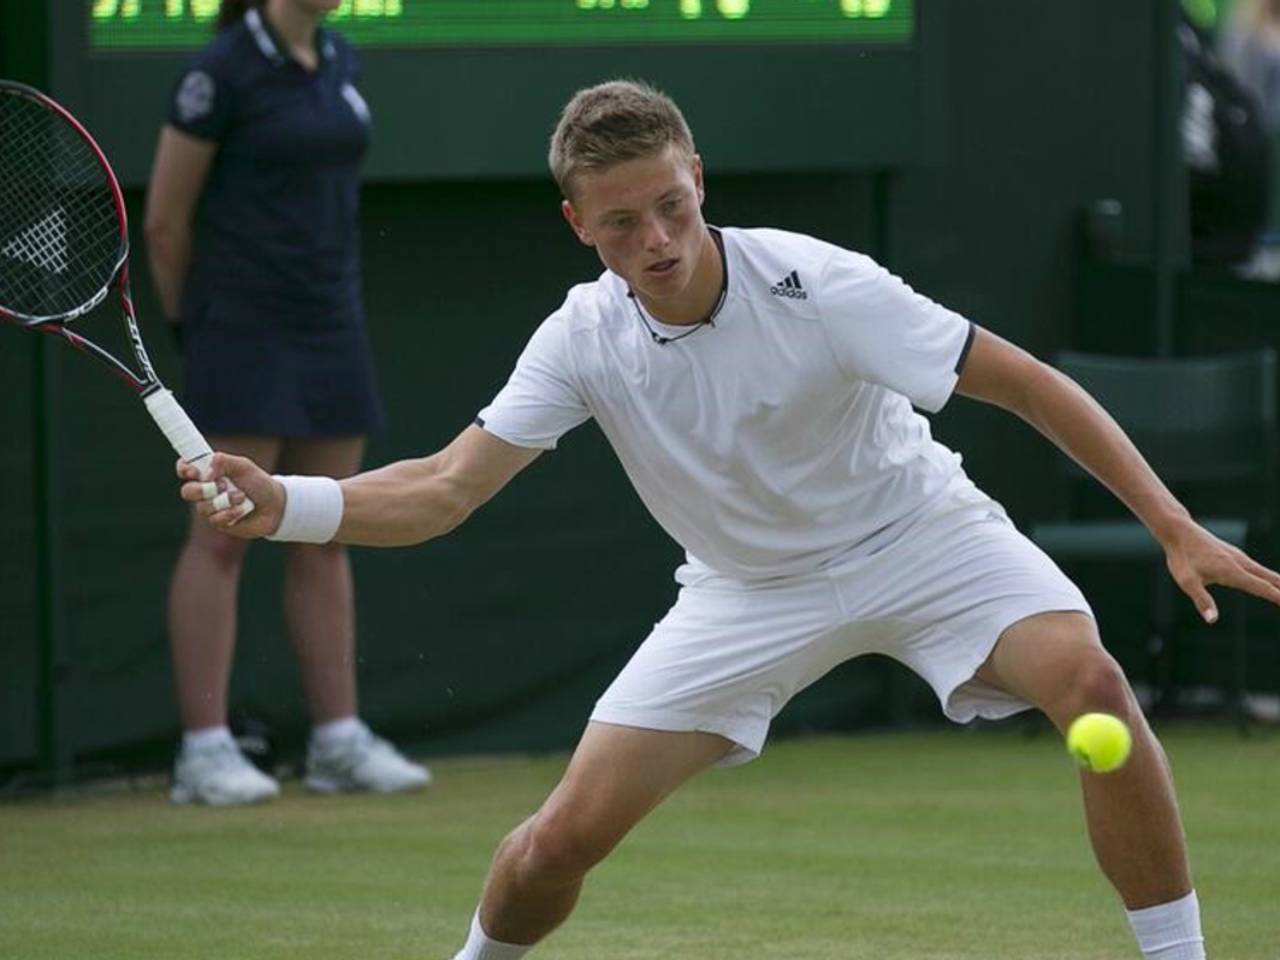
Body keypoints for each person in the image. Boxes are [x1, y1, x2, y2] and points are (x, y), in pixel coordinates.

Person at [181, 81, 1280, 956]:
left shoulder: (820, 283)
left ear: (698, 177)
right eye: (621, 222)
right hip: (745, 591)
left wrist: (1170, 523)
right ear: (578, 224)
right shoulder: (580, 339)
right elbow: (443, 489)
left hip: (924, 538)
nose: (657, 238)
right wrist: (284, 505)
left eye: (672, 204)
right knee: (557, 844)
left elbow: (1029, 385)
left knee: (1092, 686)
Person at [145, 0, 429, 805]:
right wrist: (196, 328)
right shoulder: (221, 71)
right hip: (241, 323)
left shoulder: (339, 59)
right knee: (221, 537)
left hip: (330, 321)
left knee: (327, 527)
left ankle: (338, 741)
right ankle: (204, 752)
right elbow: (165, 223)